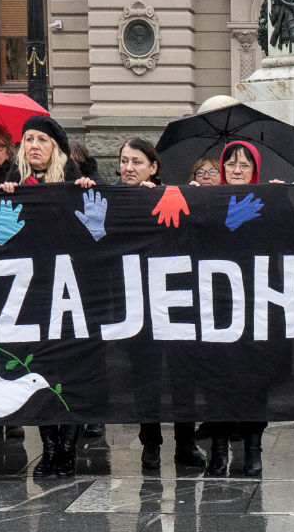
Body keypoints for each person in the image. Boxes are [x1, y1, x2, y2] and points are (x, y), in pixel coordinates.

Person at [113, 138, 203, 472]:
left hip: (176, 302)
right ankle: (150, 444)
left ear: (154, 167)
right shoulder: (111, 199)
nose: (128, 168)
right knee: (145, 378)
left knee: (183, 377)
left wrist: (198, 199)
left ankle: (185, 444)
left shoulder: (174, 197)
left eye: (137, 162)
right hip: (135, 304)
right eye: (124, 161)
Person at [6, 114, 84, 477]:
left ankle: (68, 447)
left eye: (41, 139)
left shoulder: (77, 183)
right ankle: (49, 447)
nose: (33, 145)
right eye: (28, 139)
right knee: (35, 370)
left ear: (56, 147)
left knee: (68, 370)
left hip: (70, 295)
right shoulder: (12, 183)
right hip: (31, 295)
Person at [199, 140, 268, 477]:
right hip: (218, 303)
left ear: (255, 170)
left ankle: (253, 448)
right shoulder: (207, 200)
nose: (237, 170)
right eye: (230, 165)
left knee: (255, 376)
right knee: (217, 376)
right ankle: (219, 447)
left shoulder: (268, 201)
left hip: (257, 304)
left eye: (244, 165)